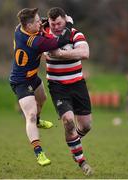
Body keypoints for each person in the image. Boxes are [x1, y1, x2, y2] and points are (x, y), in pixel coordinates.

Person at [9, 8, 73, 166]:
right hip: (20, 81)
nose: (40, 22)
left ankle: (37, 121)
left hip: (32, 76)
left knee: (42, 99)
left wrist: (48, 21)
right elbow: (60, 42)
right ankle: (39, 152)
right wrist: (69, 24)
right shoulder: (34, 42)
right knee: (30, 115)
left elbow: (41, 22)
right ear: (29, 25)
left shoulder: (21, 27)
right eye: (37, 21)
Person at [43, 7, 93, 175]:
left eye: (59, 23)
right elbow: (50, 55)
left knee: (86, 126)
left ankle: (74, 141)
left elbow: (85, 53)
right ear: (48, 22)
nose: (56, 27)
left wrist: (62, 54)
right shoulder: (44, 35)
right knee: (68, 121)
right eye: (52, 24)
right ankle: (82, 161)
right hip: (57, 86)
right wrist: (72, 53)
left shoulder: (76, 34)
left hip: (78, 84)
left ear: (65, 20)